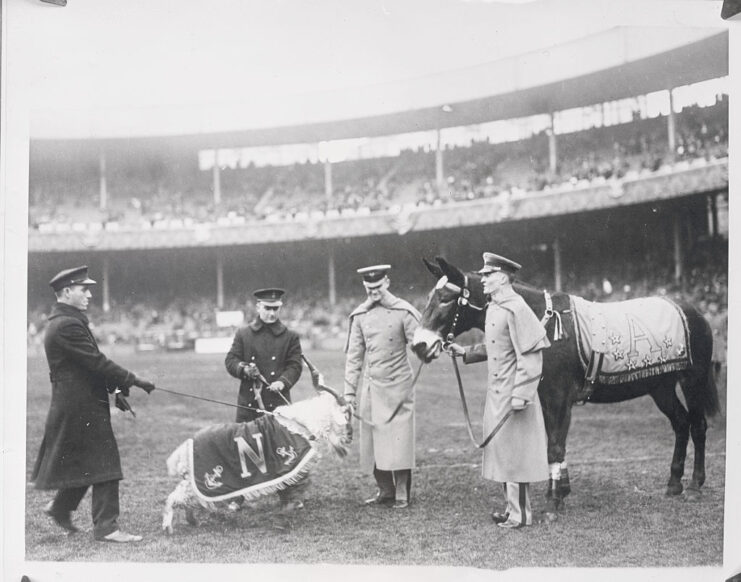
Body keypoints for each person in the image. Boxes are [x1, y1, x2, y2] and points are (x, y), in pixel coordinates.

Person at [31, 266, 156, 543]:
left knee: (89, 459)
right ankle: (107, 527)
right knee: (105, 461)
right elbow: (96, 362)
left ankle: (60, 508)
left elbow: (87, 366)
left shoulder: (68, 320)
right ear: (66, 292)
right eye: (83, 289)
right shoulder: (66, 324)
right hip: (79, 404)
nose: (89, 294)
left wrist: (116, 388)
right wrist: (134, 380)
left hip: (78, 401)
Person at [447, 253, 550, 529]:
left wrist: (522, 395)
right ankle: (510, 509)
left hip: (515, 396)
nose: (483, 279)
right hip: (497, 394)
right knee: (504, 454)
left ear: (502, 278)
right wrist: (466, 352)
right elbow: (497, 348)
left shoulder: (517, 308)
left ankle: (522, 515)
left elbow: (531, 357)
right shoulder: (495, 307)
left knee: (517, 457)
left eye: (488, 275)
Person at [343, 265, 420, 509]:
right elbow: (354, 358)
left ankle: (402, 493)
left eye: (377, 287)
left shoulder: (403, 311)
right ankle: (385, 490)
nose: (374, 292)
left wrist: (427, 348)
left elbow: (419, 343)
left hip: (399, 386)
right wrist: (349, 394)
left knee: (400, 440)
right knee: (373, 441)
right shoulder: (360, 316)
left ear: (387, 281)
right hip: (372, 387)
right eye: (369, 288)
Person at [225, 287, 304, 510]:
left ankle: (288, 494)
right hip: (249, 402)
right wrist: (242, 369)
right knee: (243, 448)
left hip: (276, 403)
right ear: (258, 307)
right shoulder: (243, 334)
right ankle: (238, 495)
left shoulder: (290, 336)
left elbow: (295, 365)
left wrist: (283, 381)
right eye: (267, 308)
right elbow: (230, 360)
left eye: (275, 309)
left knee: (281, 449)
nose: (271, 313)